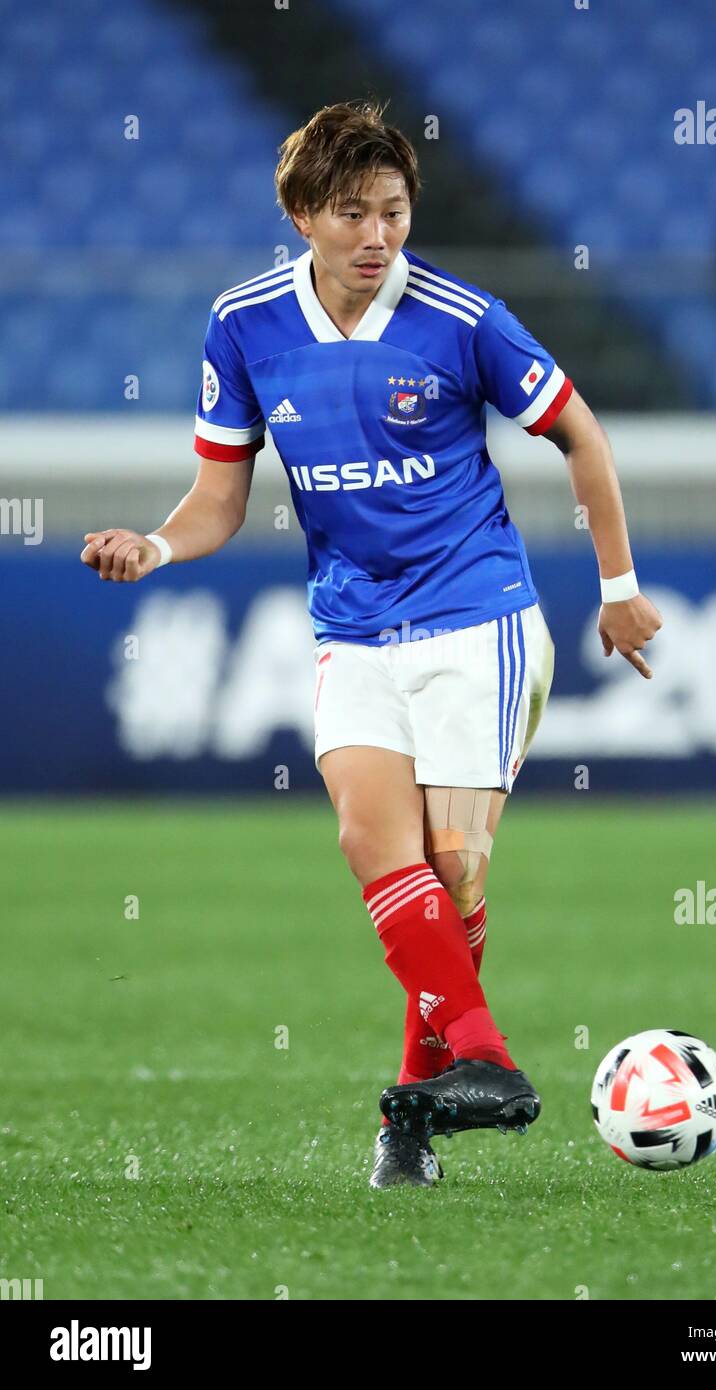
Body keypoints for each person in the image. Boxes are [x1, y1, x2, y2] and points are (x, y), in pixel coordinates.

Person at [81, 100, 662, 1189]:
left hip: (475, 616)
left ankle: (410, 1120)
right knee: (369, 841)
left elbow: (579, 430)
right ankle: (480, 1066)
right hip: (350, 625)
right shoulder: (243, 324)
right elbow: (219, 496)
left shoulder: (461, 318)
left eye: (392, 210)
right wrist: (155, 548)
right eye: (351, 212)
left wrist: (618, 589)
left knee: (451, 868)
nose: (376, 235)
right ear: (302, 214)